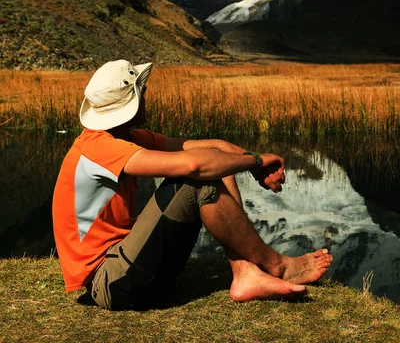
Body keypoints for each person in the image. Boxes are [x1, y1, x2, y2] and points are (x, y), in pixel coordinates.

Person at [52, 59, 332, 310]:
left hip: (134, 271)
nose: (147, 97)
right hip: (113, 284)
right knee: (196, 179)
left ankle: (245, 272)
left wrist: (254, 164)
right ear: (134, 102)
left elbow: (215, 148)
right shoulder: (98, 147)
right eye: (143, 92)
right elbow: (194, 166)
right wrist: (255, 162)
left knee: (215, 162)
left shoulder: (127, 137)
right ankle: (278, 266)